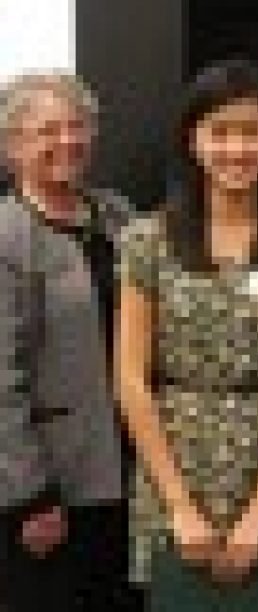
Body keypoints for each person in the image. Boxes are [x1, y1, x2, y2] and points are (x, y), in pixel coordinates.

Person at [115, 60, 258, 610]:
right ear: (193, 141)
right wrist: (179, 505)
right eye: (220, 132)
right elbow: (130, 379)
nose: (236, 150)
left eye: (251, 133)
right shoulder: (147, 241)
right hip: (174, 467)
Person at [0, 71, 133, 609]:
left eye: (77, 127)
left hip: (129, 477)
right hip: (51, 493)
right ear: (12, 145)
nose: (67, 142)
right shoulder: (7, 235)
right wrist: (30, 494)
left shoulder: (121, 219)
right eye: (46, 131)